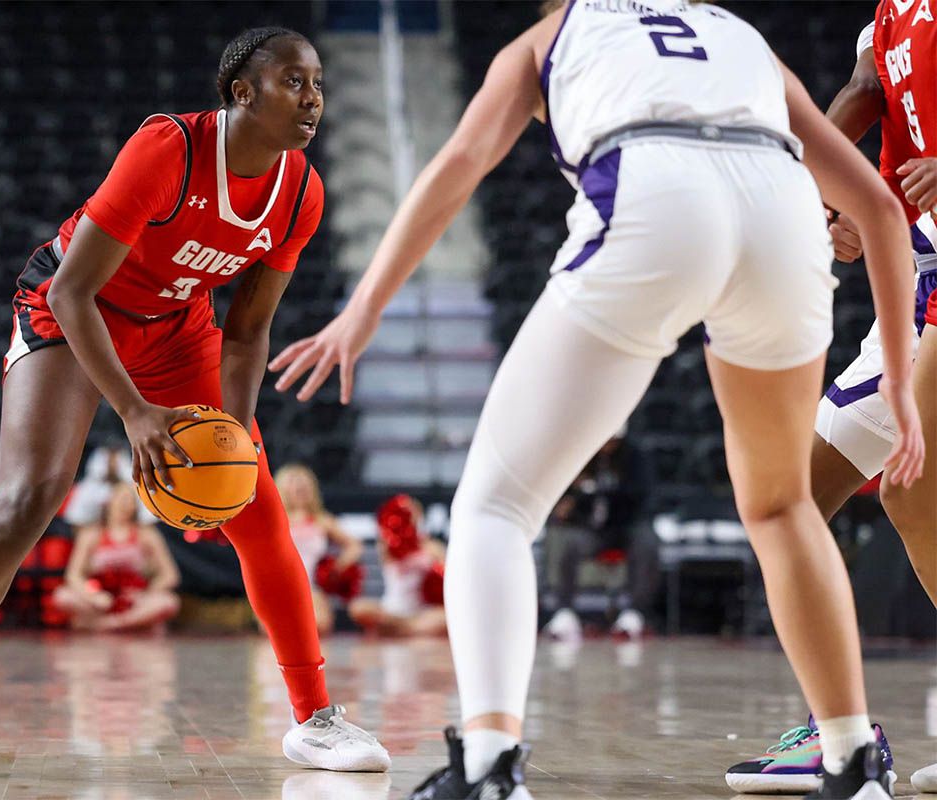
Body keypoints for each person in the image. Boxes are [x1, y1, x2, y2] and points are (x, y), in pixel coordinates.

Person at [270, 1, 924, 797]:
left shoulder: (550, 35)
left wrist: (364, 309)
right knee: (783, 506)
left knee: (496, 507)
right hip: (781, 215)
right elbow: (884, 210)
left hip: (656, 195)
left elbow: (458, 164)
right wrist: (898, 374)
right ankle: (853, 762)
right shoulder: (735, 31)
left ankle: (488, 766)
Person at [0, 27, 388, 779]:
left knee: (258, 501)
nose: (312, 99)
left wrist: (235, 435)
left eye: (318, 85)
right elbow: (71, 291)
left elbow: (247, 331)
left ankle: (315, 719)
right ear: (241, 91)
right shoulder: (169, 150)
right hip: (71, 310)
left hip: (179, 326)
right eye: (292, 82)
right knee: (32, 495)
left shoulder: (300, 191)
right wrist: (135, 412)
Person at [727, 6, 937, 794]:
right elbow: (859, 93)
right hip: (920, 285)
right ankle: (842, 734)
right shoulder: (889, 16)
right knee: (788, 497)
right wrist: (821, 199)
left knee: (914, 490)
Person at [542, 433, 660, 640]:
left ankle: (635, 611)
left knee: (647, 541)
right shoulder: (583, 454)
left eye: (612, 442)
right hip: (592, 530)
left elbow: (643, 498)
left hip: (626, 528)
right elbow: (566, 496)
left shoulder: (635, 457)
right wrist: (570, 505)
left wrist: (602, 491)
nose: (607, 446)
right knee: (565, 540)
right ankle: (564, 611)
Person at [52, 483, 181, 632]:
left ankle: (109, 624)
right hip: (100, 599)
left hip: (134, 599)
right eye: (120, 498)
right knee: (62, 596)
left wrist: (146, 594)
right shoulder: (91, 534)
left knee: (169, 602)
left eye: (129, 499)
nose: (124, 503)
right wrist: (93, 596)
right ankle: (132, 624)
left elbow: (170, 575)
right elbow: (73, 575)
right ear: (108, 502)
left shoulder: (147, 534)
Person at [275, 463, 363, 635]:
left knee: (317, 626)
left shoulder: (322, 520)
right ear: (283, 488)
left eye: (305, 484)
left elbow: (354, 546)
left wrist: (338, 566)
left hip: (312, 589)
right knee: (279, 630)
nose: (301, 487)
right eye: (294, 482)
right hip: (279, 588)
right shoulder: (275, 520)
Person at [348, 495, 447, 637]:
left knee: (445, 617)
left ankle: (402, 628)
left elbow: (447, 577)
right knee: (358, 608)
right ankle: (406, 628)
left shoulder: (433, 547)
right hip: (392, 609)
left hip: (422, 611)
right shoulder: (387, 545)